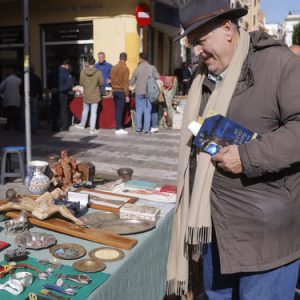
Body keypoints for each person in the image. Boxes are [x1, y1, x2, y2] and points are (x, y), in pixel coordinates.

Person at [167, 0, 300, 299]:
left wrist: (247, 156)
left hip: (267, 239)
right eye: (192, 44)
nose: (196, 51)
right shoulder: (202, 78)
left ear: (227, 30)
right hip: (216, 233)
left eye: (200, 42)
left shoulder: (278, 64)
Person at [129, 52, 160, 134]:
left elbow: (131, 81)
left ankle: (138, 129)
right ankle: (146, 129)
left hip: (139, 92)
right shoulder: (152, 68)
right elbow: (158, 77)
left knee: (139, 111)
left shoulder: (137, 68)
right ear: (147, 58)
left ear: (141, 59)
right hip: (148, 92)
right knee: (147, 111)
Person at [75, 57, 104, 134]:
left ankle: (82, 125)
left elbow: (81, 82)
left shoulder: (82, 72)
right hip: (95, 94)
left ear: (88, 63)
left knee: (85, 110)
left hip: (86, 93)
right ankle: (92, 129)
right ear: (94, 63)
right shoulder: (98, 72)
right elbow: (101, 82)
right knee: (94, 112)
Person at [110, 52, 130, 135]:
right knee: (120, 110)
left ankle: (118, 127)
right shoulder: (125, 68)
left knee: (117, 110)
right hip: (121, 91)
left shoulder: (114, 67)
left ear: (119, 58)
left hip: (114, 90)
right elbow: (125, 83)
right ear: (126, 58)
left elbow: (111, 79)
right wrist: (127, 94)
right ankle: (118, 128)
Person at [58, 60, 73, 131]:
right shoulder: (67, 74)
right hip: (63, 94)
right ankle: (63, 126)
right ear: (66, 65)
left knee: (55, 109)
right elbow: (69, 85)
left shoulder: (55, 72)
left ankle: (54, 126)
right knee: (63, 110)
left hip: (54, 93)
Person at [29, 65, 42, 132]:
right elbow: (39, 88)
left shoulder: (25, 77)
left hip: (26, 96)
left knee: (26, 112)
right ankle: (34, 127)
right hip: (34, 96)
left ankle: (26, 127)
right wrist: (40, 97)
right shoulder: (36, 77)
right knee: (34, 112)